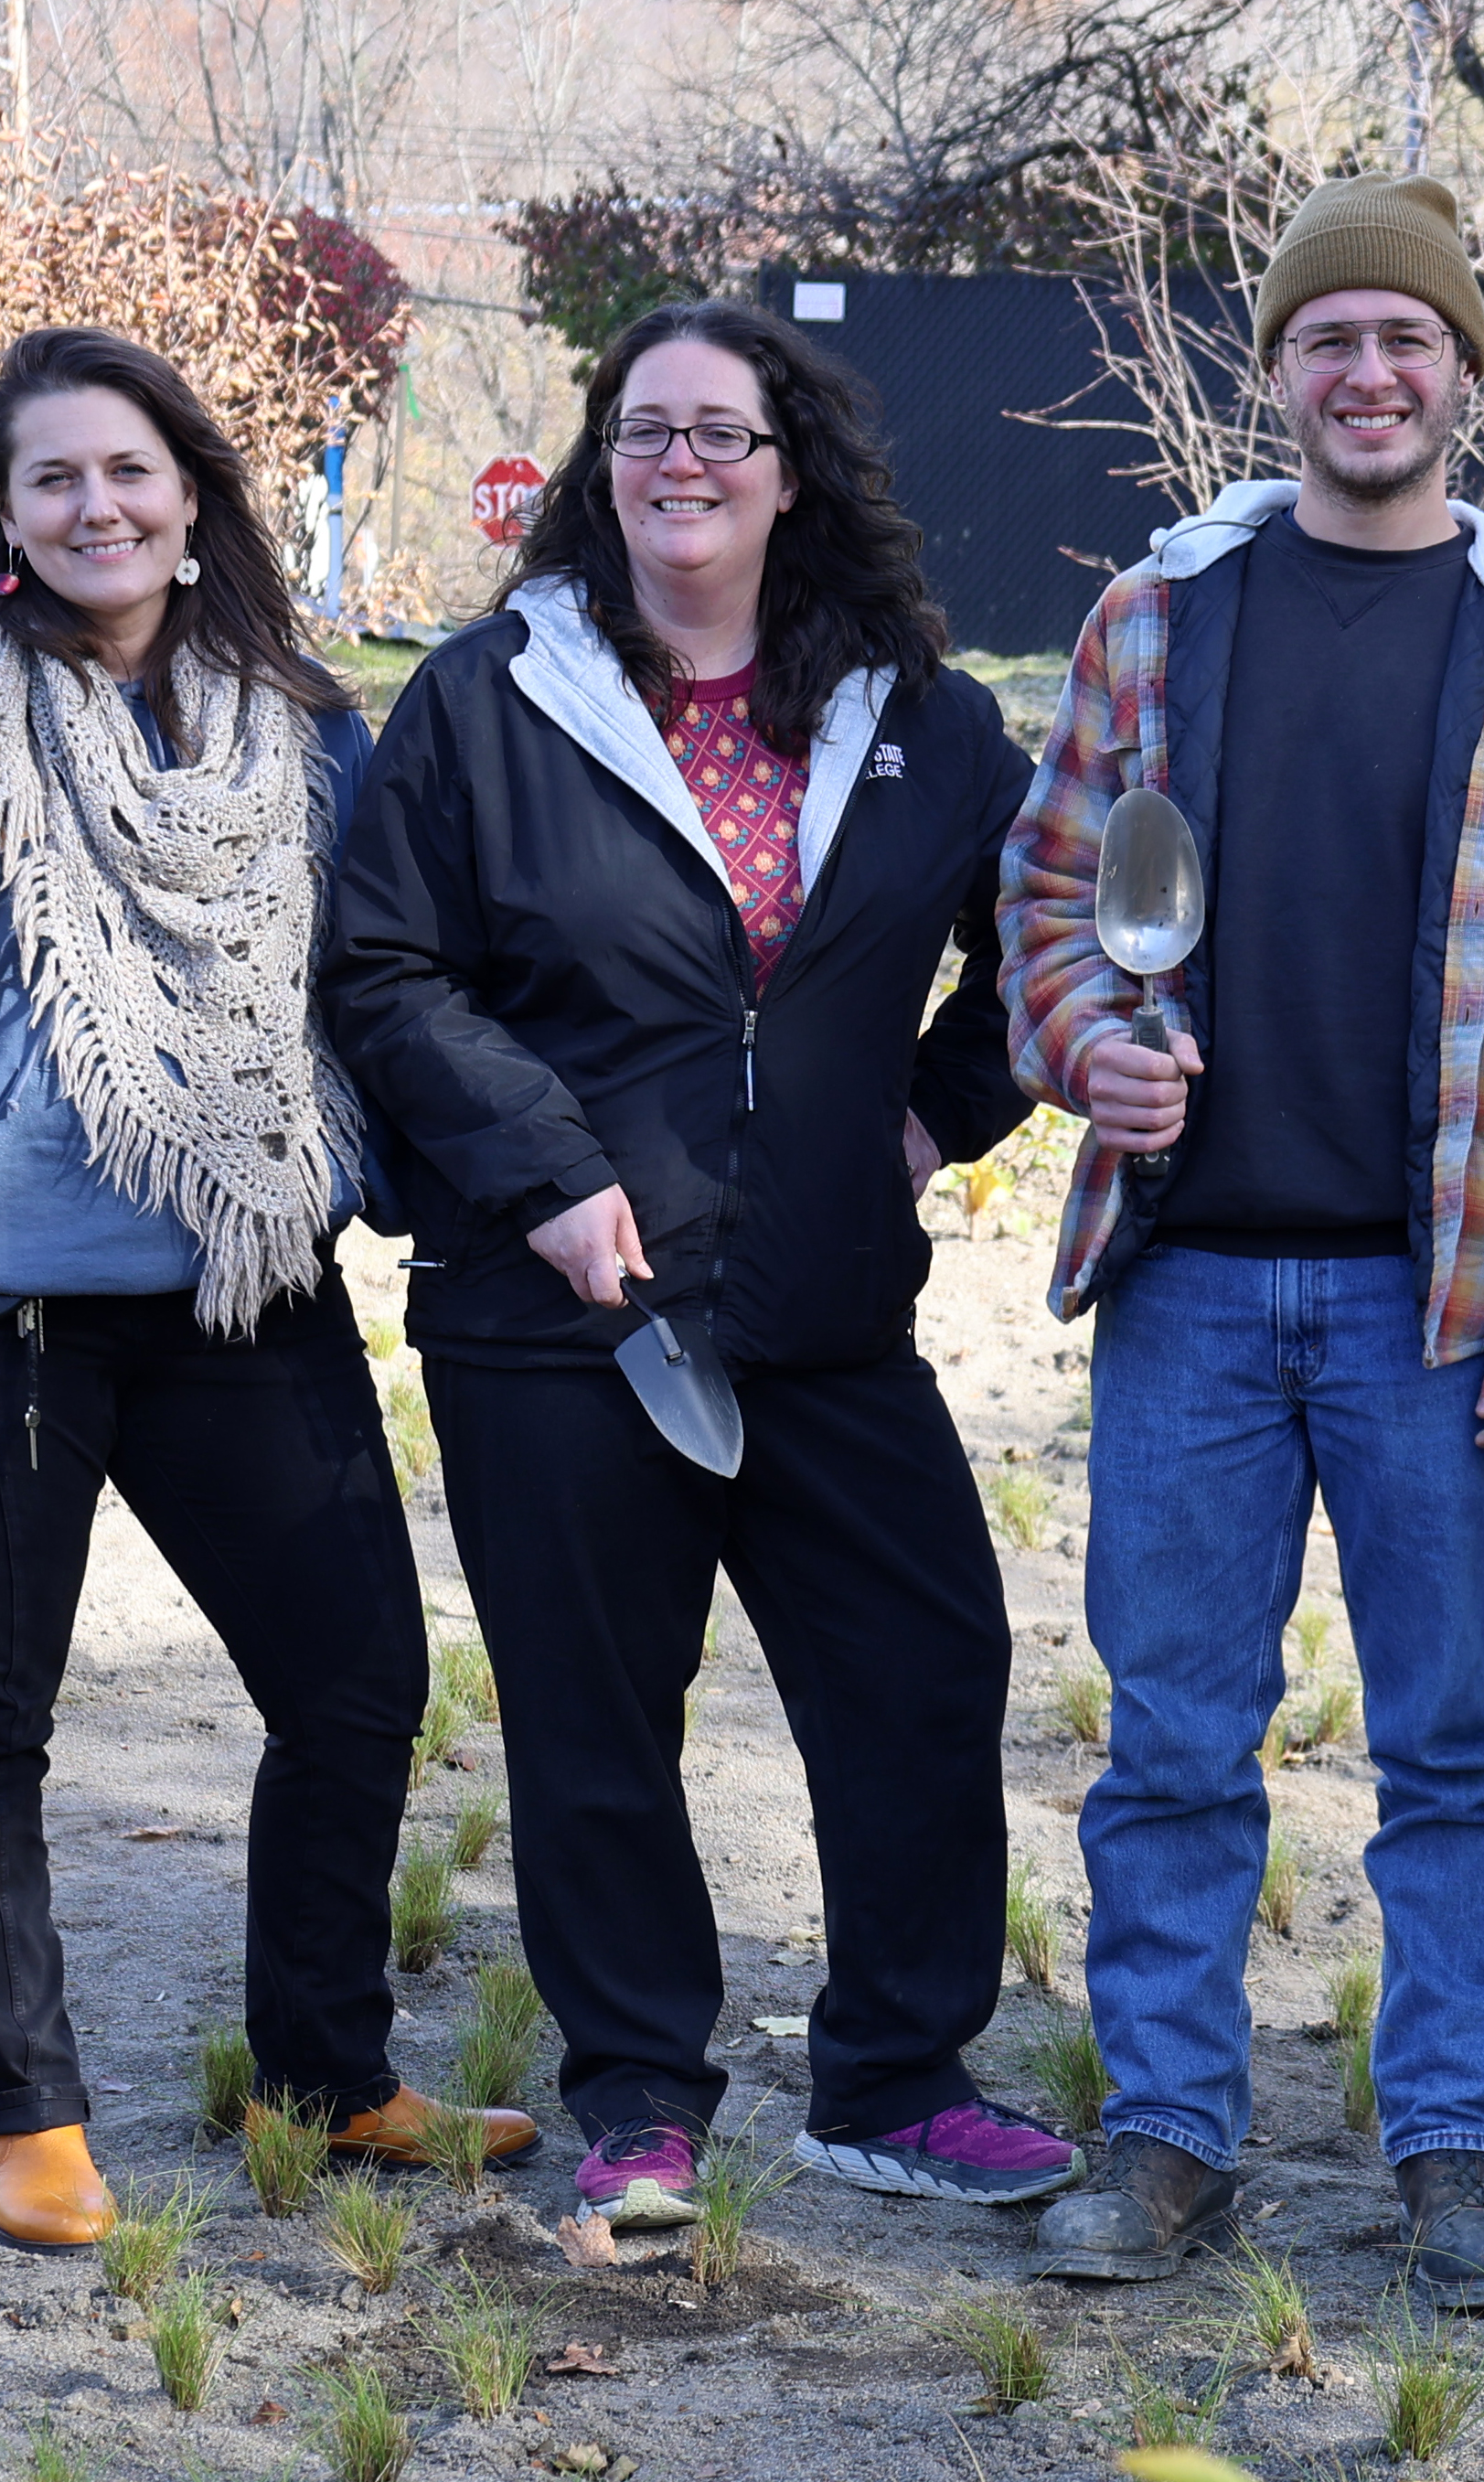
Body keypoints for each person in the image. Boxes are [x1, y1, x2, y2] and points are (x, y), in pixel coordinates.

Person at [0, 326, 515, 2252]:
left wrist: (428, 1187)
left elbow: (377, 984)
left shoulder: (309, 730)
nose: (98, 506)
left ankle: (330, 2078)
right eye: (53, 478)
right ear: (6, 518)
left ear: (192, 499)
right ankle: (28, 2111)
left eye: (130, 472)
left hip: (246, 1283)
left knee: (359, 1685)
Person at [324, 296, 1073, 2231]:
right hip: (560, 1317)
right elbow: (386, 969)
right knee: (594, 1726)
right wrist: (547, 1174)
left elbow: (1051, 943)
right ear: (601, 466)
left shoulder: (918, 719)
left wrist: (935, 1115)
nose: (680, 463)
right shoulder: (491, 700)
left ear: (791, 469)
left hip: (821, 1311)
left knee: (925, 1674)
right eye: (643, 429)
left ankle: (896, 2082)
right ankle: (641, 2100)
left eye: (721, 433)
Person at [998, 174, 1484, 2305]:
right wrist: (1094, 1044)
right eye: (1330, 341)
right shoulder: (1165, 615)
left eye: (1410, 342)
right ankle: (1175, 2128)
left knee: (1456, 1740)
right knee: (1176, 1736)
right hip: (1188, 1290)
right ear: (1278, 372)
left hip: (1434, 1299)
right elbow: (1049, 903)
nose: (1370, 376)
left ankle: (1455, 2133)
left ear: (1470, 375)